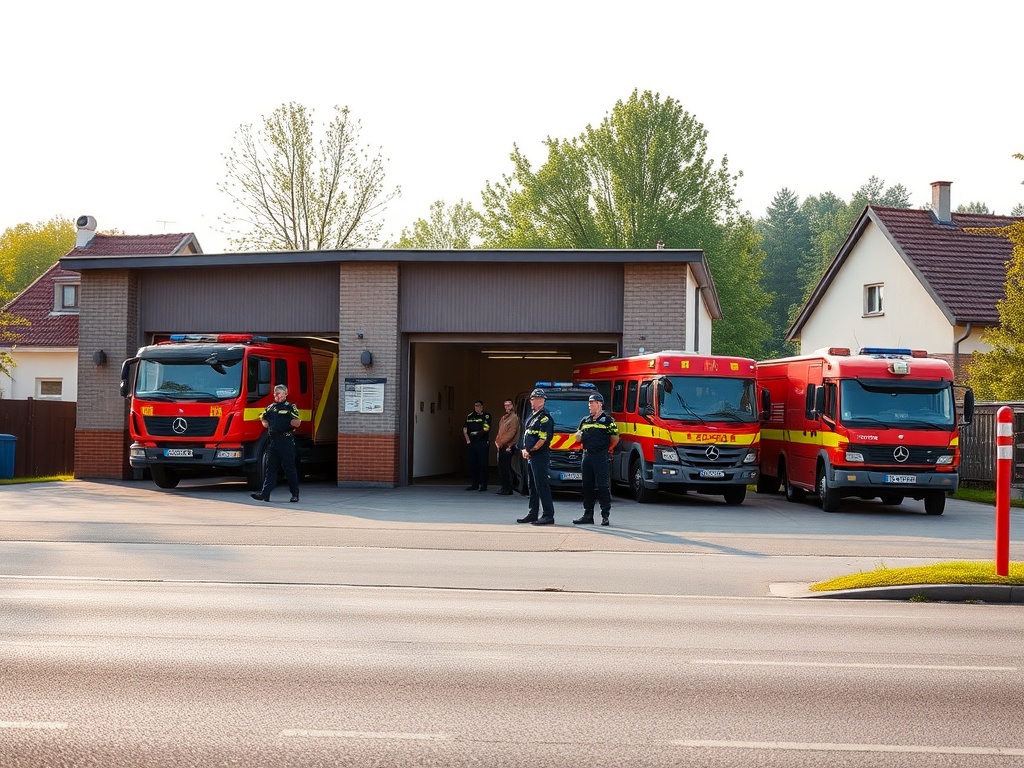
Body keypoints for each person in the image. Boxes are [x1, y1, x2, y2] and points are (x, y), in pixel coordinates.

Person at [573, 392, 620, 526]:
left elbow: (615, 438)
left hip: (600, 456)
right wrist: (578, 437)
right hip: (587, 456)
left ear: (599, 404)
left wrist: (607, 449)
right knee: (587, 486)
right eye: (589, 403)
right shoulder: (585, 420)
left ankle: (605, 516)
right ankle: (588, 515)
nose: (589, 406)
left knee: (602, 486)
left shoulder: (608, 421)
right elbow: (579, 435)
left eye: (592, 403)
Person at [251, 384, 301, 503]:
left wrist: (286, 423)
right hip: (273, 442)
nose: (276, 395)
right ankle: (265, 494)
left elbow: (298, 422)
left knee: (289, 468)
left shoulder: (290, 407)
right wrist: (264, 421)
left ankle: (295, 494)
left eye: (279, 393)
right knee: (270, 468)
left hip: (285, 441)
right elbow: (264, 420)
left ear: (285, 393)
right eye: (275, 393)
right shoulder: (271, 407)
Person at [518, 388, 556, 525]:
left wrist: (531, 451)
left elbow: (542, 440)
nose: (531, 401)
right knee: (532, 486)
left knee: (542, 485)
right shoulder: (532, 416)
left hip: (539, 456)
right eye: (531, 399)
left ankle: (548, 515)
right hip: (531, 457)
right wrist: (523, 449)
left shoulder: (545, 418)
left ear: (541, 401)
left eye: (533, 399)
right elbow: (526, 435)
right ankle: (533, 513)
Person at [493, 398, 521, 495]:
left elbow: (511, 433)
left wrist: (501, 442)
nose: (507, 407)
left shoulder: (514, 418)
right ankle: (504, 487)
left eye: (509, 405)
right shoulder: (504, 418)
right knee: (502, 468)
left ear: (513, 406)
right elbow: (500, 431)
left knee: (506, 468)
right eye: (505, 405)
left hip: (508, 446)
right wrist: (497, 441)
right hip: (501, 445)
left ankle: (508, 488)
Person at [463, 399, 491, 491]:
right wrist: (468, 441)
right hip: (472, 443)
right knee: (473, 464)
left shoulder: (486, 416)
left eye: (479, 406)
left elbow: (486, 428)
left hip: (482, 442)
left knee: (483, 464)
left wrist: (476, 433)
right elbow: (465, 429)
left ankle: (484, 485)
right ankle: (475, 484)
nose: (477, 407)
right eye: (476, 406)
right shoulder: (470, 416)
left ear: (482, 407)